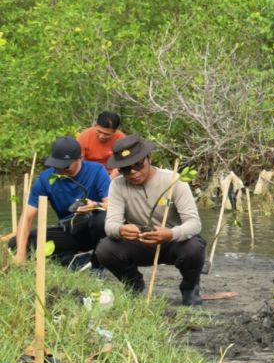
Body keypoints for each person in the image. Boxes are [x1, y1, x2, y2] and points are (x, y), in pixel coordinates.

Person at [94, 135, 206, 305]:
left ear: (149, 158)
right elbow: (110, 225)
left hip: (173, 241)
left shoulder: (173, 181)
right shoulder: (117, 185)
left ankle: (190, 288)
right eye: (125, 169)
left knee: (194, 248)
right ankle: (133, 284)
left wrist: (170, 234)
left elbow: (194, 223)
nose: (133, 172)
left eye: (138, 165)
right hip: (140, 240)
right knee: (105, 249)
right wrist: (121, 230)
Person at [11, 136, 110, 267]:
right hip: (69, 231)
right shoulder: (46, 179)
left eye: (66, 167)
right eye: (57, 166)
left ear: (80, 158)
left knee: (103, 219)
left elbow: (112, 206)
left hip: (93, 229)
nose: (61, 171)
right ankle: (76, 260)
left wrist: (95, 205)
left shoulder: (97, 171)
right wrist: (21, 254)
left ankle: (98, 261)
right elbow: (27, 217)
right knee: (15, 244)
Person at [77, 112, 125, 176]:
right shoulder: (83, 137)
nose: (101, 136)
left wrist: (108, 181)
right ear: (96, 125)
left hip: (111, 174)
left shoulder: (121, 139)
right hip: (88, 173)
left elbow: (120, 164)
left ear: (114, 131)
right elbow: (78, 163)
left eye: (106, 134)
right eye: (99, 131)